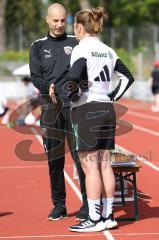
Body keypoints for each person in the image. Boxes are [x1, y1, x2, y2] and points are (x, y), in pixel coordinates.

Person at [50, 6, 134, 232]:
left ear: (79, 27)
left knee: (89, 167)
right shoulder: (108, 50)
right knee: (105, 164)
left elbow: (73, 79)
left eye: (74, 27)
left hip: (86, 110)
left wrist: (70, 94)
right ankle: (108, 216)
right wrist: (111, 96)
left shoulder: (81, 49)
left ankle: (94, 219)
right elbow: (128, 78)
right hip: (107, 108)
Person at [29, 3, 87, 221]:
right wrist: (47, 87)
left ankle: (87, 203)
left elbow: (86, 72)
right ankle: (59, 205)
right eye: (55, 20)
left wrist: (82, 89)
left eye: (63, 20)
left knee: (81, 158)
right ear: (47, 20)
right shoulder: (37, 46)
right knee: (55, 160)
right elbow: (35, 76)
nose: (59, 24)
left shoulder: (76, 42)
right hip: (50, 110)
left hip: (74, 109)